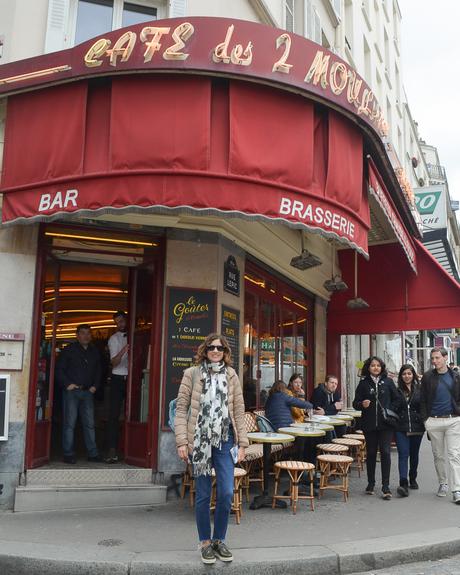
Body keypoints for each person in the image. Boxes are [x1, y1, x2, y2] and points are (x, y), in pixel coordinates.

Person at [175, 333, 248, 565]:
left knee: (227, 492)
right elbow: (181, 408)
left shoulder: (231, 375)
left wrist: (243, 443)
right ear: (204, 351)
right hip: (199, 441)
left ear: (226, 352)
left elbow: (238, 409)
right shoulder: (192, 374)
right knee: (204, 495)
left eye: (220, 348)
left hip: (225, 440)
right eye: (211, 348)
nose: (215, 351)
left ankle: (219, 539)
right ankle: (205, 542)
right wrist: (181, 442)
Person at [353, 356, 400, 500]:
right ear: (368, 368)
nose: (375, 368)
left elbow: (397, 399)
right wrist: (362, 404)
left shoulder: (388, 382)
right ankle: (371, 483)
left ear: (382, 367)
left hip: (386, 424)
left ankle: (386, 486)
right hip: (369, 424)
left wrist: (389, 409)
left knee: (385, 452)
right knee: (371, 453)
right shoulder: (363, 384)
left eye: (378, 365)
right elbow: (355, 403)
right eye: (373, 365)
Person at [56, 324, 102, 464]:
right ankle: (68, 454)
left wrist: (95, 386)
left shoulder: (95, 352)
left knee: (89, 424)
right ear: (77, 335)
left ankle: (92, 454)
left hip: (88, 392)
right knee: (69, 424)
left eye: (88, 333)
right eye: (83, 333)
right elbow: (59, 370)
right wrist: (67, 384)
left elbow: (99, 370)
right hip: (72, 392)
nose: (86, 336)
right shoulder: (69, 350)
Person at [420, 347, 460, 504]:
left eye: (437, 358)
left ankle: (457, 489)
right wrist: (426, 420)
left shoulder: (455, 376)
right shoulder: (428, 377)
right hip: (434, 421)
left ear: (445, 358)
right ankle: (443, 483)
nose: (434, 361)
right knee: (439, 455)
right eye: (433, 358)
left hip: (453, 420)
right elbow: (422, 398)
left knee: (454, 455)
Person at [394, 364, 424, 497]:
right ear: (401, 376)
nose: (407, 376)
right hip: (401, 427)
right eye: (404, 374)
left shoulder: (420, 389)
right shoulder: (396, 390)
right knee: (403, 454)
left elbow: (424, 406)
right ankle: (403, 483)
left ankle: (412, 477)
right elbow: (392, 407)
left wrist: (421, 417)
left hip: (417, 427)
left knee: (414, 454)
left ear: (413, 375)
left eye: (409, 373)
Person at [105, 311, 129, 464]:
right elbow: (114, 362)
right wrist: (125, 349)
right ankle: (112, 449)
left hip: (133, 378)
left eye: (122, 321)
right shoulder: (113, 339)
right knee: (114, 414)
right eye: (117, 322)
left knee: (134, 414)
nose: (120, 324)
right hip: (118, 378)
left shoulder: (136, 335)